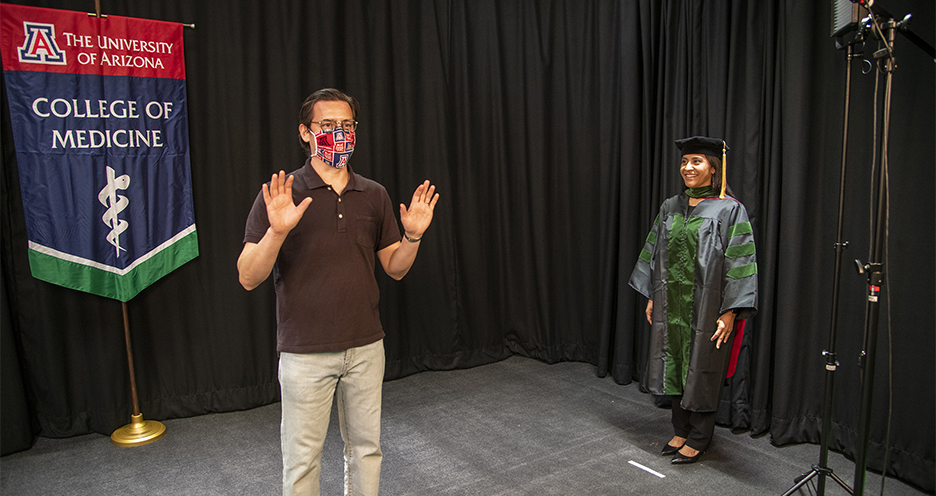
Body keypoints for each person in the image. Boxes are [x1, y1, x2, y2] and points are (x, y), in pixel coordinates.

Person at [237, 88, 439, 495]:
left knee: (366, 451)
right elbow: (247, 276)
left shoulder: (374, 194)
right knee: (302, 460)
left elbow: (394, 270)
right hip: (304, 353)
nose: (338, 133)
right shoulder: (282, 194)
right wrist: (277, 231)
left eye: (346, 125)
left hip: (366, 348)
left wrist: (413, 238)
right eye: (327, 125)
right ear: (305, 133)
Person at [628, 136, 757, 464]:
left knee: (702, 367)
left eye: (697, 162)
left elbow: (740, 262)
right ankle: (680, 429)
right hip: (671, 303)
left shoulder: (731, 210)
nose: (688, 167)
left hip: (708, 306)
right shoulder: (670, 206)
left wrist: (730, 311)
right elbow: (655, 253)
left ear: (714, 169)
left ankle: (699, 436)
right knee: (672, 363)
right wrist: (653, 297)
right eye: (685, 162)